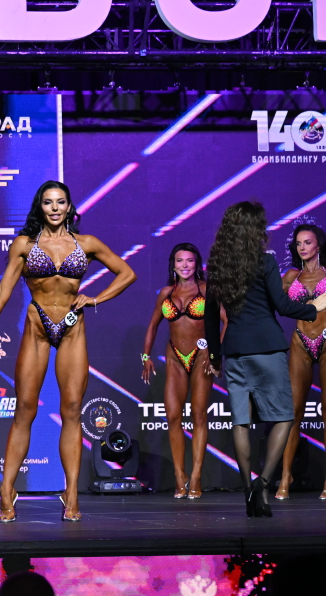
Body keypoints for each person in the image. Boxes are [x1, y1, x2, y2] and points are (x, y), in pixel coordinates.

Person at [0, 181, 136, 522]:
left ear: (69, 207)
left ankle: (71, 493)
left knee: (71, 410)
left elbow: (126, 273)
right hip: (37, 328)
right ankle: (6, 489)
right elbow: (3, 292)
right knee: (25, 409)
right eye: (48, 202)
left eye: (60, 202)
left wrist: (95, 298)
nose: (55, 208)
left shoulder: (86, 243)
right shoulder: (24, 245)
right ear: (39, 207)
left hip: (72, 328)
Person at [202, 203, 326, 517]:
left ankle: (249, 490)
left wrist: (215, 356)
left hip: (235, 351)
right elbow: (283, 306)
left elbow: (210, 318)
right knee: (284, 418)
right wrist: (315, 309)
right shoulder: (265, 261)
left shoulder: (217, 265)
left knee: (241, 422)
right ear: (255, 229)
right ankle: (264, 483)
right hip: (268, 349)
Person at [139, 243, 216, 499]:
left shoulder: (207, 290)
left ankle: (196, 476)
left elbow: (226, 321)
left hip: (201, 357)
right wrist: (146, 356)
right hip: (174, 358)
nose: (185, 265)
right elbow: (152, 326)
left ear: (197, 264)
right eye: (180, 260)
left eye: (189, 260)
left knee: (199, 415)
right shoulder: (166, 293)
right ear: (173, 264)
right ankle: (179, 476)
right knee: (173, 417)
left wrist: (215, 354)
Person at [277, 224, 326, 499]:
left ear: (319, 245)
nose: (302, 247)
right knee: (293, 411)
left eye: (307, 242)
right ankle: (286, 475)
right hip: (300, 342)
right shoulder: (291, 276)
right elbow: (273, 301)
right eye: (298, 243)